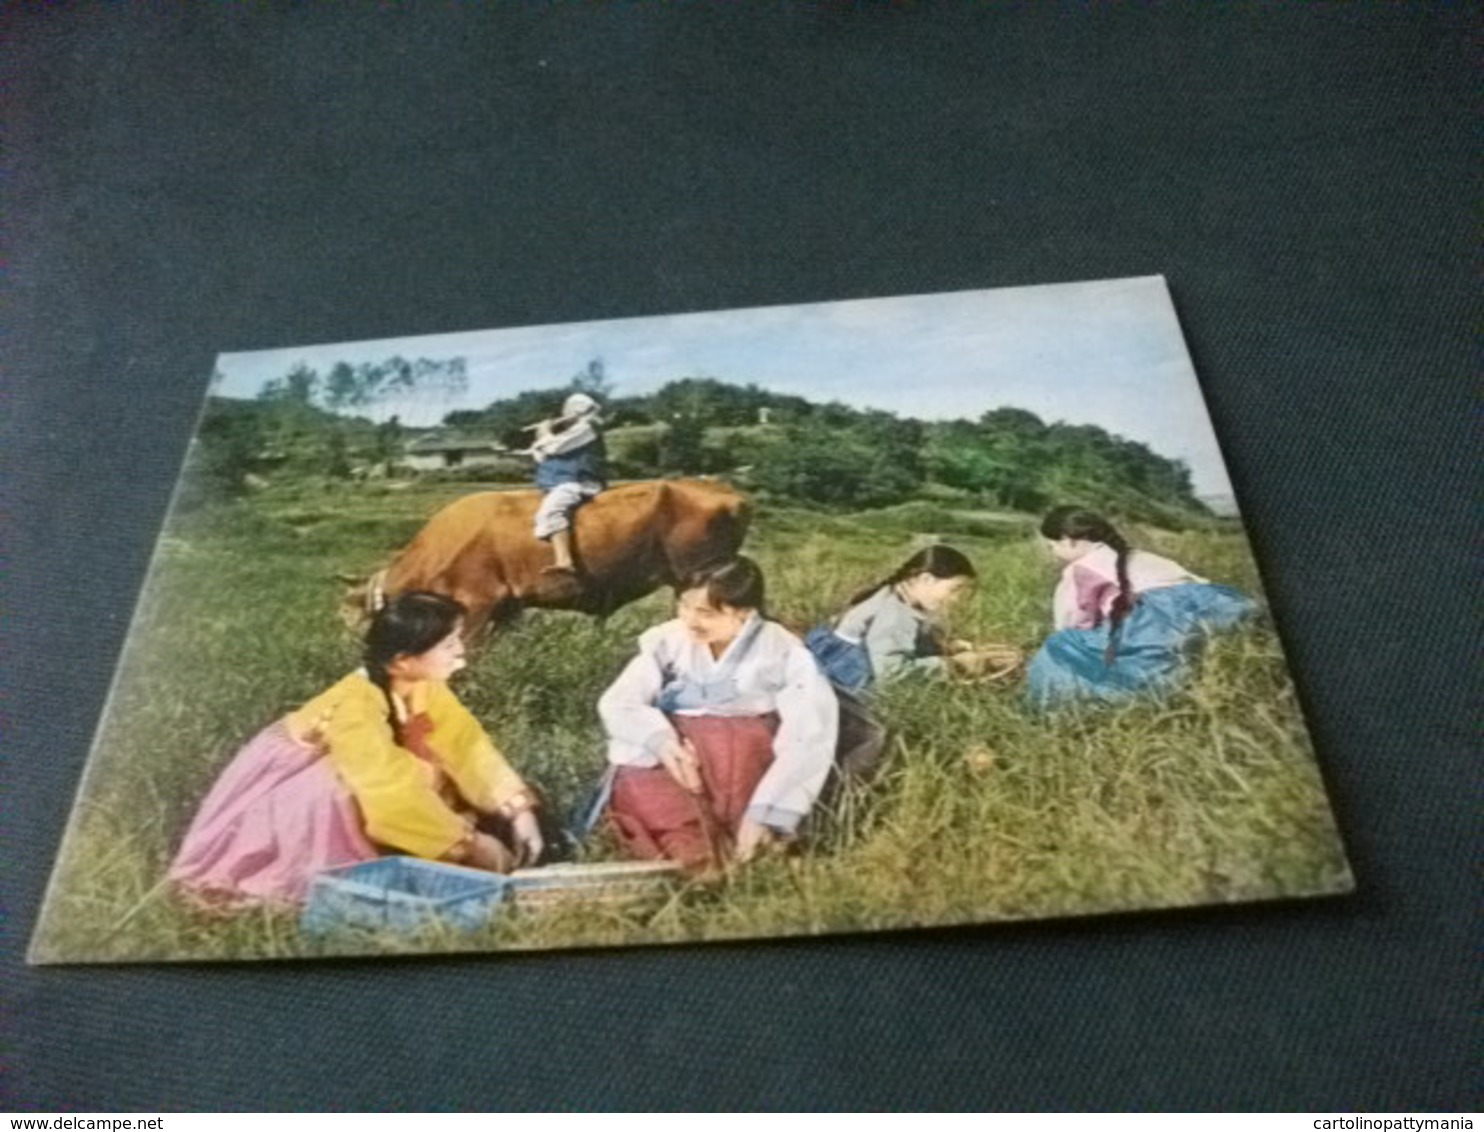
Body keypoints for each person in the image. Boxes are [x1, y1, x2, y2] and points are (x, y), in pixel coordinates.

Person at [169, 592, 543, 905]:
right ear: (402, 661)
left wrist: (518, 812)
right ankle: (297, 877)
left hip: (366, 775)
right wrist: (469, 846)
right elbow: (387, 792)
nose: (462, 651)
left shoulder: (423, 685)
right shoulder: (355, 706)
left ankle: (423, 847)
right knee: (338, 790)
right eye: (449, 644)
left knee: (422, 770)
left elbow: (467, 747)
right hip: (288, 792)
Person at [597, 557, 839, 870]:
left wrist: (769, 812)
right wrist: (662, 742)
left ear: (744, 612)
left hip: (747, 756)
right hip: (681, 749)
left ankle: (749, 840)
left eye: (706, 613)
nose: (691, 620)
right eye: (684, 606)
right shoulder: (669, 639)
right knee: (647, 792)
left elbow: (810, 730)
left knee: (751, 827)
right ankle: (691, 855)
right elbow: (620, 700)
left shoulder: (782, 649)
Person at [1026, 506, 1257, 707]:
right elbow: (1192, 582)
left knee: (1061, 645)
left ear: (1068, 540)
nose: (1053, 553)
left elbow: (1074, 618)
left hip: (1155, 618)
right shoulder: (1137, 554)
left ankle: (1133, 699)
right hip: (1214, 605)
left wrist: (1072, 637)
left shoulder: (1082, 568)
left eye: (1052, 546)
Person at [804, 545, 979, 775]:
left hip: (833, 674)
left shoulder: (896, 594)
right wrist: (954, 665)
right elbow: (893, 673)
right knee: (879, 736)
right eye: (955, 589)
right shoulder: (895, 614)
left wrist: (945, 647)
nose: (957, 600)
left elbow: (897, 643)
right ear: (926, 579)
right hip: (848, 691)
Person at [524, 391, 606, 575]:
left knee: (551, 512)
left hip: (579, 481)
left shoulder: (587, 428)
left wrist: (545, 431)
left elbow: (554, 447)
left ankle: (564, 560)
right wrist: (541, 437)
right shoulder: (571, 430)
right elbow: (541, 454)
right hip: (557, 482)